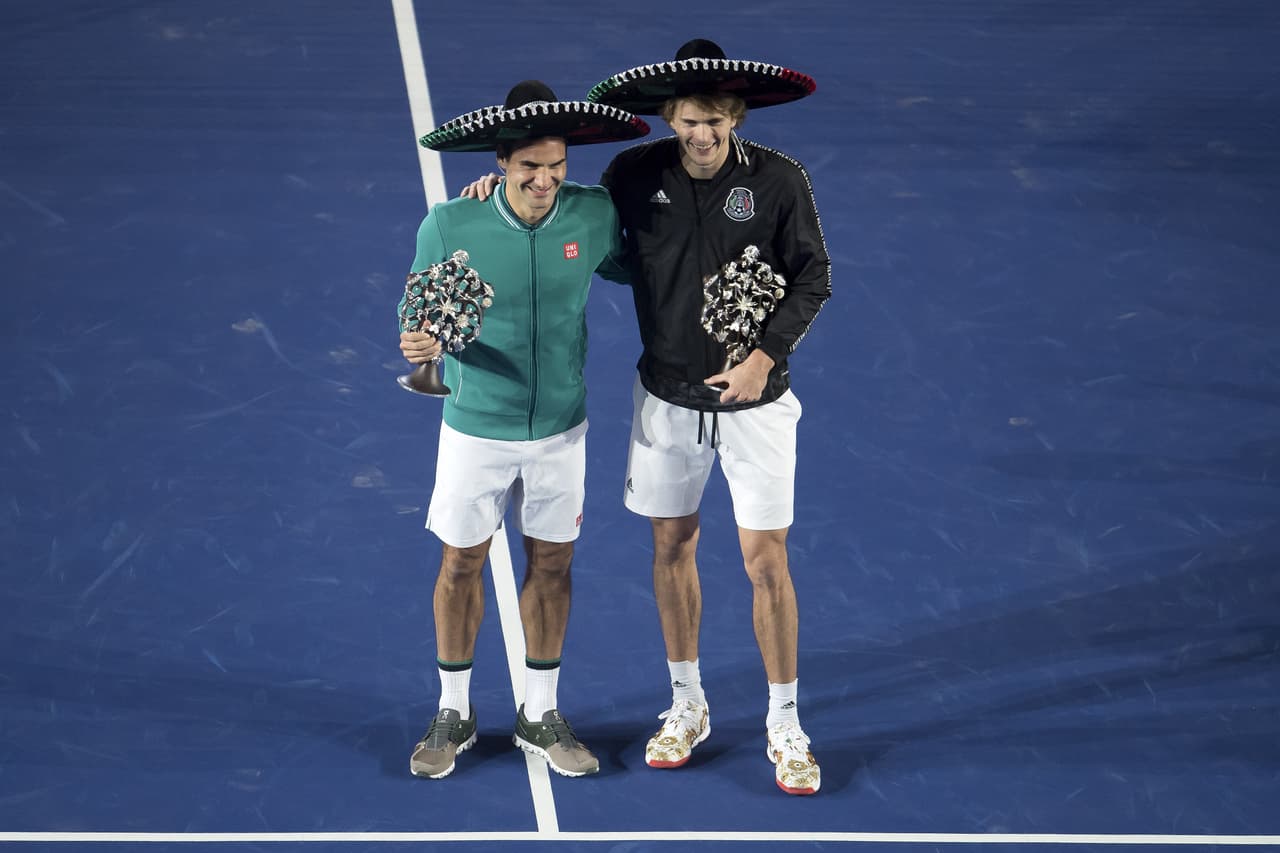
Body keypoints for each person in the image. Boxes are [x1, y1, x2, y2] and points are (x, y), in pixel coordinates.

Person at [463, 39, 830, 795]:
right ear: (670, 115)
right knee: (672, 548)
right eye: (691, 121)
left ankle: (786, 722)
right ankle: (687, 703)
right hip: (665, 398)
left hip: (756, 405)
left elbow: (813, 277)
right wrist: (489, 196)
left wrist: (764, 354)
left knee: (766, 562)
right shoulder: (634, 176)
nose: (703, 136)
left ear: (735, 120)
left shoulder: (779, 182)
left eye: (717, 123)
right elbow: (568, 212)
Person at [398, 80, 648, 780]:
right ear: (501, 164)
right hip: (476, 427)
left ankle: (541, 710)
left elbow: (638, 265)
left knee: (554, 564)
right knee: (460, 563)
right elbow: (415, 312)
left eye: (556, 166)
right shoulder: (451, 223)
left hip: (562, 430)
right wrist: (417, 344)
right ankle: (454, 710)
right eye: (528, 167)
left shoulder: (591, 215)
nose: (544, 180)